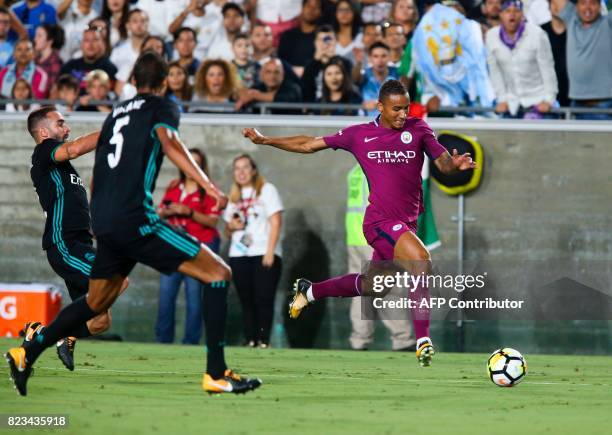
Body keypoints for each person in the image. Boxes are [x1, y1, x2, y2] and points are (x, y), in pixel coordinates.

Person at [5, 52, 262, 396]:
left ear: (134, 81)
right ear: (164, 82)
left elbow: (100, 170)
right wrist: (210, 187)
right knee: (218, 274)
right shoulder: (160, 106)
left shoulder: (115, 115)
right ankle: (216, 373)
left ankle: (27, 352)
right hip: (130, 220)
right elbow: (170, 143)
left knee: (97, 306)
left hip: (106, 223)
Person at [242, 79, 476, 367]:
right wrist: (266, 140)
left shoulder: (419, 129)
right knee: (420, 260)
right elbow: (307, 144)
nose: (403, 114)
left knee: (373, 286)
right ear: (380, 107)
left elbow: (442, 163)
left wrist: (455, 166)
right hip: (379, 222)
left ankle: (310, 291)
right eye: (396, 109)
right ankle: (423, 341)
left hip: (406, 225)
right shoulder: (359, 135)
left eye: (406, 108)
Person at [20, 106, 128, 376]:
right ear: (44, 132)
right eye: (61, 123)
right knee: (117, 278)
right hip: (64, 245)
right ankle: (55, 335)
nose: (66, 128)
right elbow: (76, 148)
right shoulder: (44, 152)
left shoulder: (61, 166)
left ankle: (43, 333)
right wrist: (113, 129)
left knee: (101, 320)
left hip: (79, 245)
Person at [345, 164, 416, 351]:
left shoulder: (355, 171)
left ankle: (359, 340)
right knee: (389, 288)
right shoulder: (380, 169)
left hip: (354, 237)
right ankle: (402, 339)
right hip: (374, 236)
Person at [155, 149, 221, 345]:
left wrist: (188, 212)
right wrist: (166, 213)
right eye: (188, 161)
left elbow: (212, 222)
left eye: (196, 162)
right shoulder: (174, 186)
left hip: (199, 246)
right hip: (172, 246)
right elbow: (159, 213)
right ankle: (163, 341)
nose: (191, 166)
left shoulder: (209, 189)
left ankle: (190, 342)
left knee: (194, 298)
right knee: (166, 295)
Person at [223, 154, 283, 348]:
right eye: (237, 168)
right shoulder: (233, 198)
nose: (241, 172)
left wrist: (270, 251)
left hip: (263, 253)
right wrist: (232, 226)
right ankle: (250, 339)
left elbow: (276, 222)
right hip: (239, 254)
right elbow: (227, 231)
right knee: (246, 300)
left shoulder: (267, 190)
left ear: (254, 170)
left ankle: (264, 340)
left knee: (264, 298)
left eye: (245, 167)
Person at [486, 0, 557, 118]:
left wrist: (549, 100)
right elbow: (495, 72)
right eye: (507, 11)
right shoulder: (491, 36)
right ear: (501, 14)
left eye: (516, 11)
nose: (512, 15)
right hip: (512, 103)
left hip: (538, 100)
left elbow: (548, 69)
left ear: (522, 14)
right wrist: (502, 98)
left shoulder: (537, 34)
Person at [554, 0, 612, 120]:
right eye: (583, 3)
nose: (588, 8)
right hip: (576, 105)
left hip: (605, 106)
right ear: (576, 6)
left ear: (600, 6)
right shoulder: (571, 20)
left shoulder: (608, 23)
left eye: (592, 3)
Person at [60, 27, 118, 94]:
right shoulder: (69, 66)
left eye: (95, 40)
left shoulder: (110, 68)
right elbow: (58, 91)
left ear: (101, 44)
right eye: (86, 40)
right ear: (81, 44)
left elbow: (112, 95)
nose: (90, 44)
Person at [237, 57, 302, 114]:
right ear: (261, 74)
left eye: (276, 72)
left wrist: (255, 95)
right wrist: (245, 94)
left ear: (282, 75)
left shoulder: (293, 88)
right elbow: (238, 96)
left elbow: (283, 98)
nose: (272, 76)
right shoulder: (258, 87)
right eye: (268, 72)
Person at [278, 0, 323, 77]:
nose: (311, 10)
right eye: (308, 6)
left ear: (321, 13)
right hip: (288, 79)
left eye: (316, 7)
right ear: (302, 8)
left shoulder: (323, 37)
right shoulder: (287, 35)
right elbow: (280, 60)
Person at [541, 0, 569, 107]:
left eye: (561, 2)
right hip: (547, 99)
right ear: (549, 6)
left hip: (574, 96)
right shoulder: (540, 32)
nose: (557, 6)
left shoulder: (577, 32)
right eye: (553, 3)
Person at [34, 24, 64, 88]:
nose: (35, 39)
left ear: (50, 41)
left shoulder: (55, 62)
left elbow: (52, 88)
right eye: (36, 35)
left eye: (39, 36)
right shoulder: (35, 60)